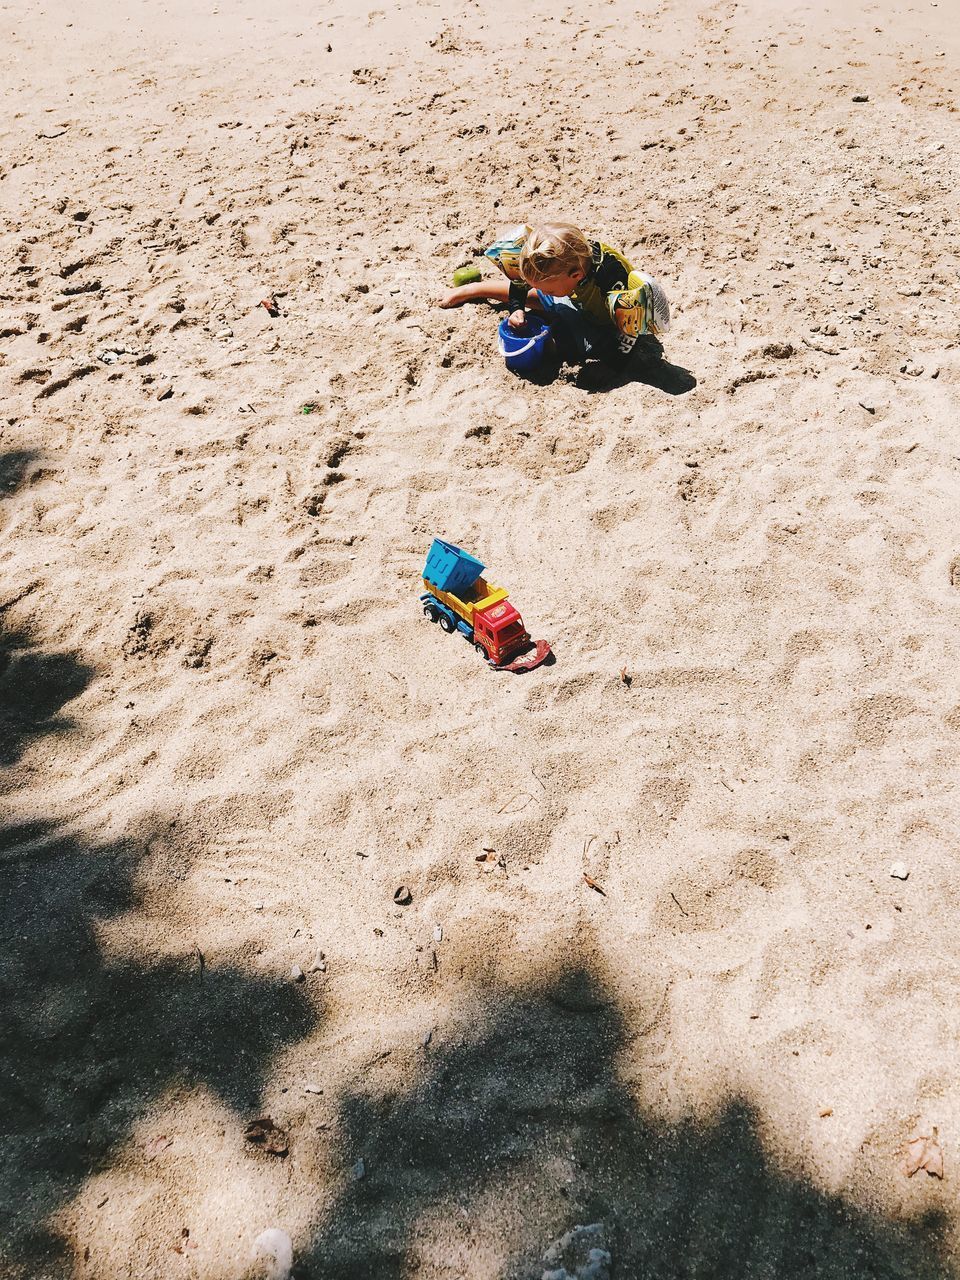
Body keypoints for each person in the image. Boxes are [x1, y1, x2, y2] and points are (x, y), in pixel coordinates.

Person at [439, 221, 671, 370]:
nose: (540, 288)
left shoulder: (613, 281)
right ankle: (473, 289)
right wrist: (517, 307)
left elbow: (629, 336)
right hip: (574, 298)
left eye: (548, 287)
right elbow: (522, 285)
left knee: (575, 345)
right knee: (536, 296)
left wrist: (609, 369)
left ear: (576, 275)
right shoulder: (562, 261)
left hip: (607, 321)